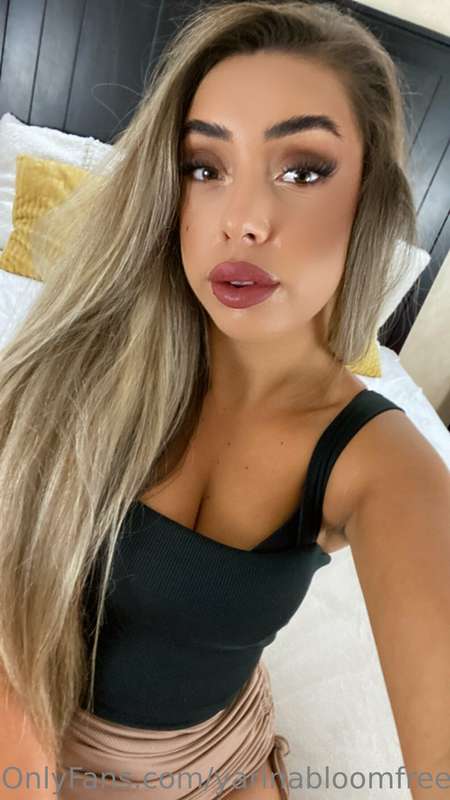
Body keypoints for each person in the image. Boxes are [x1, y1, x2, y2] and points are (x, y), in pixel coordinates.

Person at [0, 2, 449, 799]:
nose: (242, 221)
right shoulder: (71, 363)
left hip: (222, 751)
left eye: (302, 170)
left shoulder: (381, 460)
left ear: (368, 199)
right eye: (205, 168)